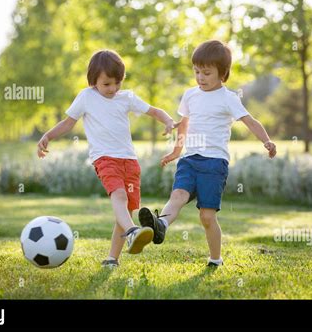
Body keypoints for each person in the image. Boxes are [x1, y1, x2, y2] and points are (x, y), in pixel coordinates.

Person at [139, 40, 277, 267]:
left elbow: (249, 121)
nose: (200, 77)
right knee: (177, 197)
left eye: (206, 73)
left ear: (223, 74)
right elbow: (184, 125)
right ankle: (160, 226)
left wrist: (267, 141)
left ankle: (215, 259)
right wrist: (176, 151)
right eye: (196, 72)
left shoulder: (229, 98)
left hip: (214, 164)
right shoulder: (191, 95)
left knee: (207, 216)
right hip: (189, 160)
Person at [37, 49, 177, 268]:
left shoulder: (127, 98)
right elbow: (68, 123)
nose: (112, 89)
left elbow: (153, 111)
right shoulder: (86, 97)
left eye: (117, 83)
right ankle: (132, 232)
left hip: (130, 161)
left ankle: (112, 258)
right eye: (107, 84)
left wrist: (168, 120)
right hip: (104, 159)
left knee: (127, 209)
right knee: (119, 196)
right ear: (94, 81)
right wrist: (47, 136)